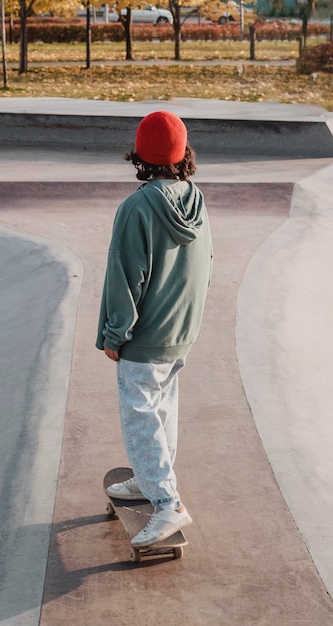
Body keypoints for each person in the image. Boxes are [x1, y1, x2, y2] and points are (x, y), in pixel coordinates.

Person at [96, 110, 213, 548]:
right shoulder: (196, 200)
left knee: (140, 413)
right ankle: (150, 479)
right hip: (181, 330)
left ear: (139, 154)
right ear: (183, 153)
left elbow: (126, 276)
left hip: (144, 337)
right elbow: (207, 267)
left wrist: (115, 334)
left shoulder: (137, 207)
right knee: (162, 409)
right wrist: (190, 322)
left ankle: (166, 502)